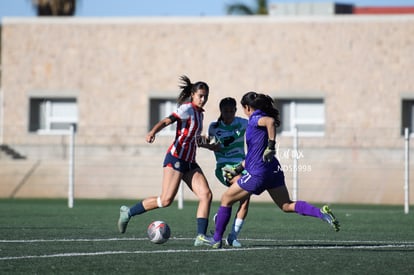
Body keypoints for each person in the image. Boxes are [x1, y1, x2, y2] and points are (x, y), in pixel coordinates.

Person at [199, 91, 340, 248]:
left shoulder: (254, 119)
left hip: (259, 173)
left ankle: (217, 239)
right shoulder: (254, 122)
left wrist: (271, 145)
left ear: (247, 108)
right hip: (273, 170)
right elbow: (254, 153)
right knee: (286, 205)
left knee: (226, 199)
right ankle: (322, 213)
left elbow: (270, 122)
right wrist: (237, 169)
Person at [117, 75, 213, 246]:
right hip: (176, 158)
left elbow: (194, 139)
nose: (203, 99)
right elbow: (167, 121)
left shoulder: (200, 115)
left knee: (206, 195)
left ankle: (200, 236)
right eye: (200, 95)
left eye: (206, 96)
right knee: (166, 200)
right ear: (192, 94)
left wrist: (211, 144)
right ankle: (128, 212)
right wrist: (153, 132)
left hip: (190, 161)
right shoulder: (187, 109)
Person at [199, 97, 249, 247]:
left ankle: (232, 236)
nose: (228, 114)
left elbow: (256, 124)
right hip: (224, 167)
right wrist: (209, 145)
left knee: (245, 199)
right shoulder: (214, 127)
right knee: (243, 186)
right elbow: (216, 146)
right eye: (225, 111)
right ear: (221, 111)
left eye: (231, 111)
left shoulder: (242, 123)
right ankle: (222, 219)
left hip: (242, 165)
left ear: (235, 110)